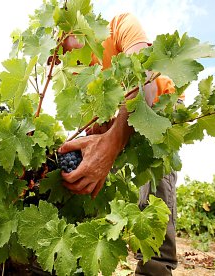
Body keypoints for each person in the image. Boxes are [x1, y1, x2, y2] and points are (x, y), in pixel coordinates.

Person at [57, 13, 179, 275]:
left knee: (155, 182)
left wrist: (110, 144)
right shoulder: (77, 73)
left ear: (71, 31)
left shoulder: (120, 25)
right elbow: (97, 126)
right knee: (108, 179)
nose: (56, 61)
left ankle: (156, 267)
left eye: (57, 52)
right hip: (123, 117)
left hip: (161, 106)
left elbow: (144, 84)